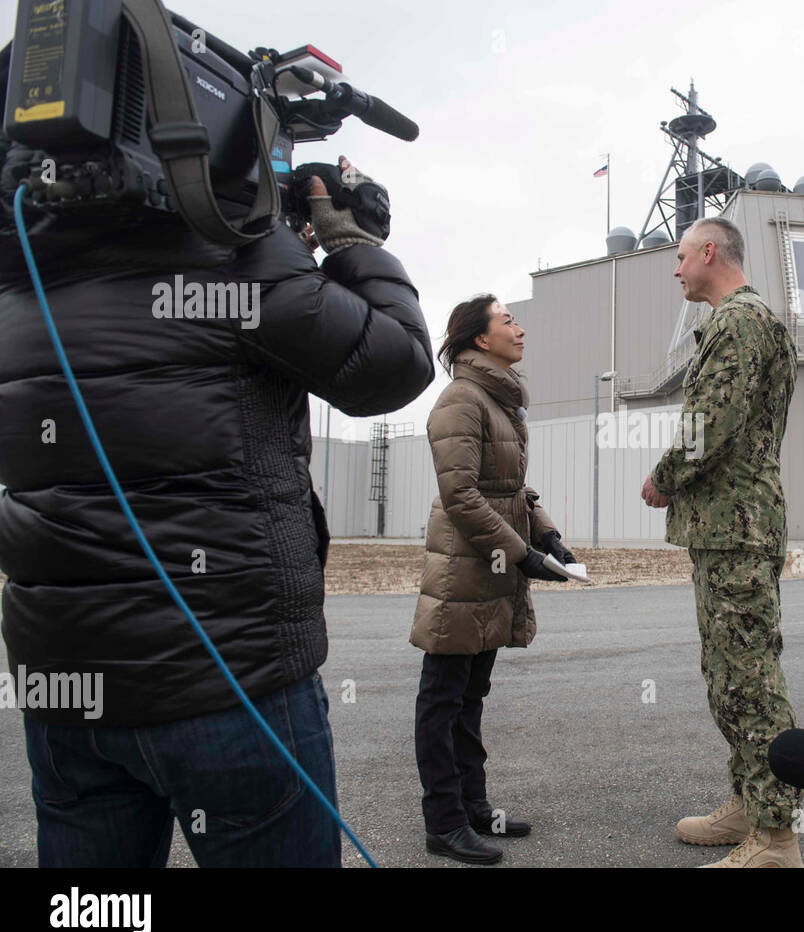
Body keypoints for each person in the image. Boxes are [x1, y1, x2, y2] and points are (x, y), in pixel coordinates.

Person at [0, 147, 435, 867]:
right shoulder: (230, 246)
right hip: (231, 680)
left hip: (64, 688)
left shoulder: (21, 268)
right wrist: (348, 241)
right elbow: (393, 362)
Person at [642, 217, 803, 868]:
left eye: (681, 257)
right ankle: (750, 800)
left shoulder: (739, 322)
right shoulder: (743, 321)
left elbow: (708, 426)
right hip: (728, 526)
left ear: (711, 252)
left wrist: (662, 477)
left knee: (749, 678)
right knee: (728, 672)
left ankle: (774, 836)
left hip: (736, 525)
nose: (677, 269)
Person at [410, 294, 575, 865]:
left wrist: (546, 535)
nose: (520, 329)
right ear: (481, 339)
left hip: (493, 563)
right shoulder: (461, 400)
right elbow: (460, 494)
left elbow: (513, 488)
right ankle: (444, 822)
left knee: (471, 695)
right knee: (443, 696)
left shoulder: (498, 400)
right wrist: (521, 552)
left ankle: (474, 806)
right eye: (509, 321)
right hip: (463, 568)